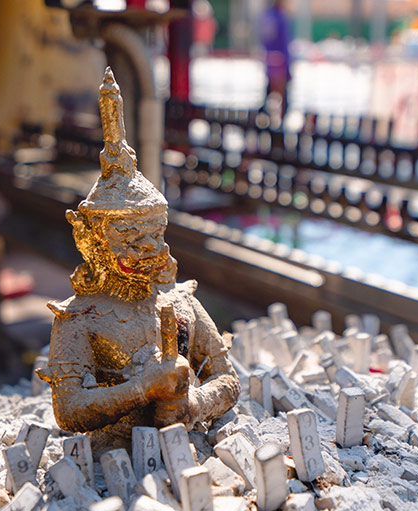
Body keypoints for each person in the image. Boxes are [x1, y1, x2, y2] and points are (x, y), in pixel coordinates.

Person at [37, 68, 240, 450]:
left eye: (155, 234)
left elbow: (227, 378)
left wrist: (193, 404)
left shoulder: (182, 302)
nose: (148, 248)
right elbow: (68, 410)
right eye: (128, 236)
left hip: (185, 448)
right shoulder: (80, 317)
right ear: (92, 240)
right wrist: (143, 389)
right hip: (111, 457)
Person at [259, 0, 293, 114]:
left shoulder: (267, 17)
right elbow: (284, 44)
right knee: (280, 96)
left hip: (270, 62)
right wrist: (287, 67)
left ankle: (267, 114)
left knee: (270, 94)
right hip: (279, 63)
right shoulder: (279, 18)